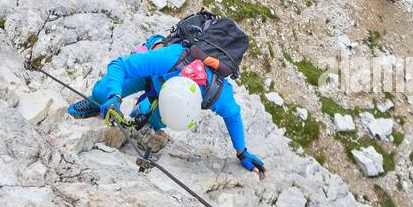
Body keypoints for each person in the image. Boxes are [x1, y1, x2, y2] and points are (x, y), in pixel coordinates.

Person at [66, 33, 264, 175]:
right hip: (151, 74)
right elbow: (120, 65)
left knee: (152, 118)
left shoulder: (217, 93)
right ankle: (97, 104)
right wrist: (114, 97)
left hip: (164, 87)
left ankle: (149, 107)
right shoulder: (170, 58)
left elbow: (233, 115)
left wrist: (242, 152)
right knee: (102, 92)